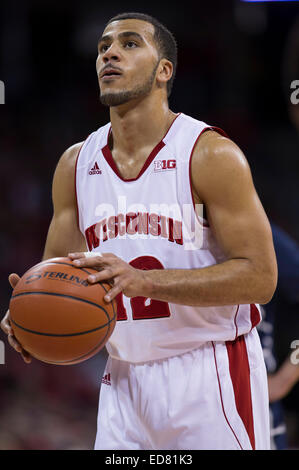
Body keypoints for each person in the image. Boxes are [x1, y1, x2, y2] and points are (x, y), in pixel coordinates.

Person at [1, 12, 277, 450]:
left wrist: (144, 281)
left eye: (129, 44)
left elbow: (261, 279)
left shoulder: (209, 154)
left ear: (164, 70)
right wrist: (29, 318)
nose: (109, 52)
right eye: (103, 47)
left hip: (209, 372)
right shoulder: (75, 165)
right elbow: (56, 276)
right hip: (123, 379)